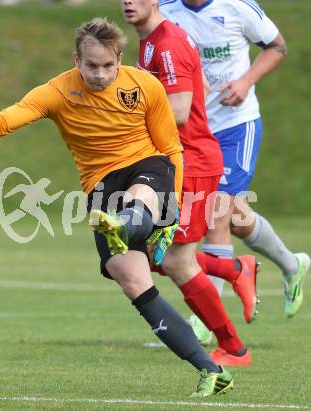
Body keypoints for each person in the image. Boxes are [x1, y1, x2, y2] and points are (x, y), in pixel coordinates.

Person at [0, 17, 233, 397]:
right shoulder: (57, 90)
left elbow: (171, 148)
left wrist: (172, 208)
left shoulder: (145, 85)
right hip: (102, 187)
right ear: (77, 59)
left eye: (108, 65)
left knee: (138, 198)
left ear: (120, 58)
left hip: (148, 168)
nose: (100, 74)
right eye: (91, 65)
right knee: (134, 283)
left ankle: (126, 224)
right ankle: (211, 370)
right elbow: (9, 118)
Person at [159, 0, 310, 340]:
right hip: (191, 133)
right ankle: (292, 264)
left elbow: (277, 46)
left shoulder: (237, 7)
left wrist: (245, 82)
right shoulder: (165, 11)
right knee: (236, 218)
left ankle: (205, 318)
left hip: (234, 127)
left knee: (216, 215)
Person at [121, 0, 256, 366]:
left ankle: (233, 348)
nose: (128, 1)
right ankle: (233, 270)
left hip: (191, 162)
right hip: (174, 160)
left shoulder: (167, 43)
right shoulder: (150, 39)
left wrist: (123, 110)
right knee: (148, 256)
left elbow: (179, 110)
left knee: (176, 261)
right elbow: (198, 91)